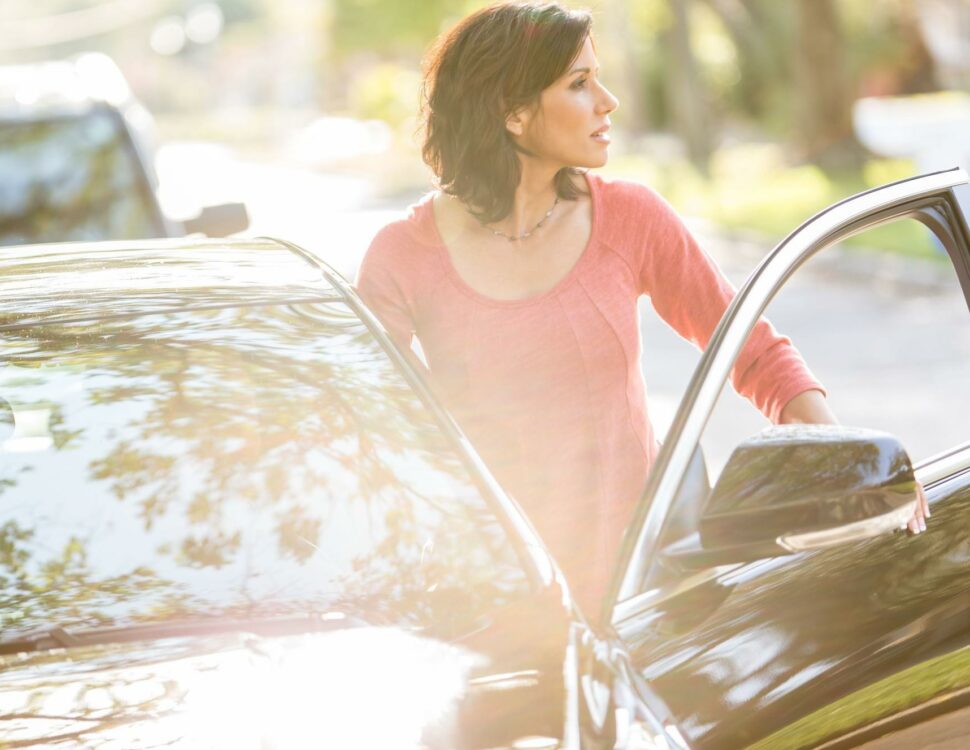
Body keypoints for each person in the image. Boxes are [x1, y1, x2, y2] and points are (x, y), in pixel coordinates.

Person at [355, 1, 925, 617]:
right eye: (579, 84)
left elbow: (753, 352)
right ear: (512, 111)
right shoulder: (401, 258)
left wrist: (850, 462)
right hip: (495, 611)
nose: (608, 101)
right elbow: (369, 444)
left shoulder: (630, 218)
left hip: (645, 596)